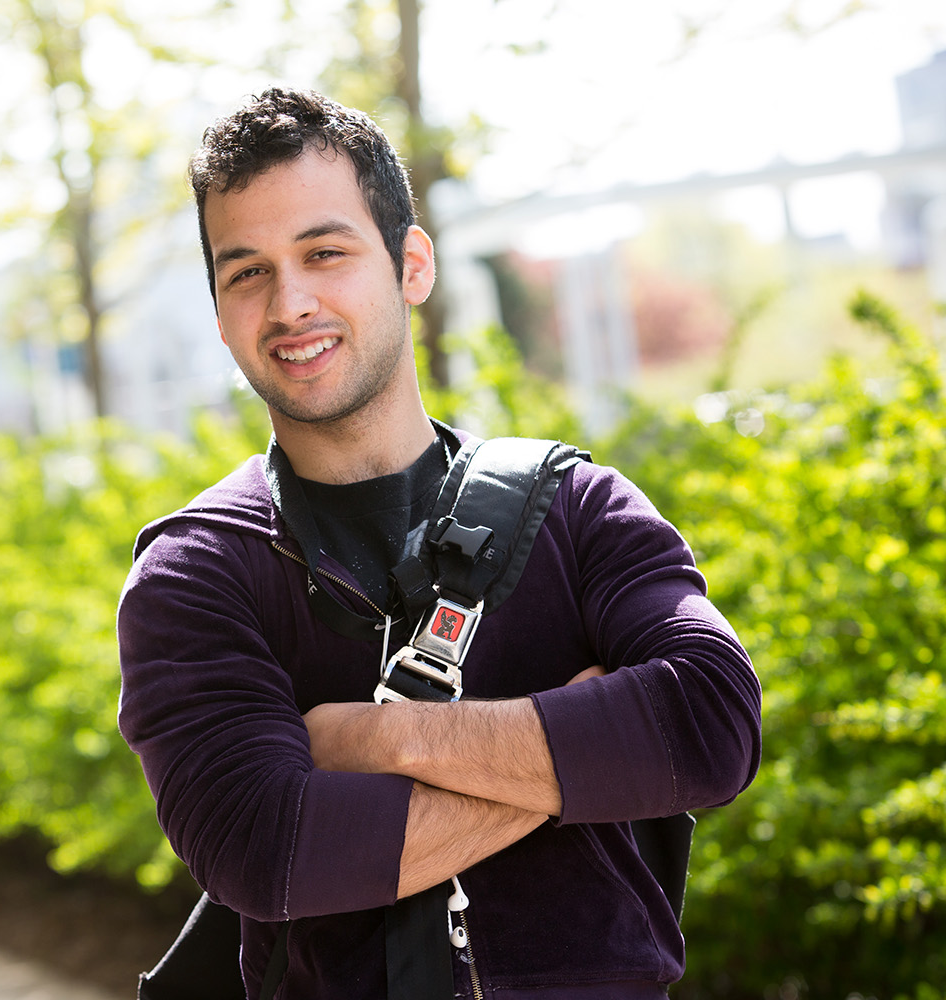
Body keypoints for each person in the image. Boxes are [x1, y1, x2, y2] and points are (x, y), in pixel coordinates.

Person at [115, 87, 762, 1000]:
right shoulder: (194, 575)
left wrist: (376, 738)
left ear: (411, 264)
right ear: (221, 314)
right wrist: (585, 752)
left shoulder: (577, 508)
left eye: (325, 253)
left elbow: (711, 723)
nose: (290, 302)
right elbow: (269, 853)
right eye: (248, 271)